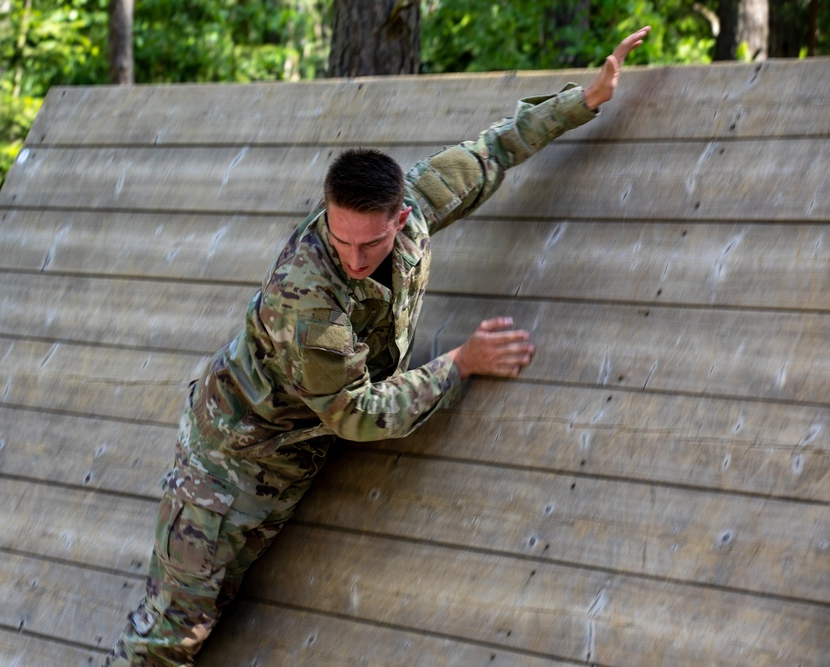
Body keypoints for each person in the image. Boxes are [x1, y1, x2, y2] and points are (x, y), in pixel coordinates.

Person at [103, 26, 651, 667]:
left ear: (401, 216)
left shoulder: (415, 205)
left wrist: (584, 101)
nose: (355, 259)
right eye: (340, 241)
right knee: (168, 639)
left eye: (370, 242)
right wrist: (460, 364)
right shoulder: (307, 300)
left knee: (212, 614)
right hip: (227, 470)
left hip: (288, 458)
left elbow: (492, 151)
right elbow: (357, 414)